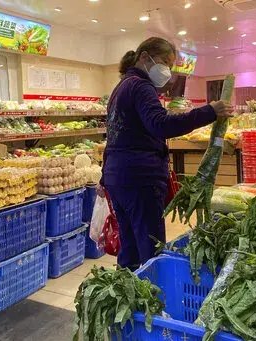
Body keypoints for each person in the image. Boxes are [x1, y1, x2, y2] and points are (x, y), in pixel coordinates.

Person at [98, 37, 233, 270]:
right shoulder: (141, 87)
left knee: (129, 245)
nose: (167, 71)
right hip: (140, 178)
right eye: (164, 63)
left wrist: (104, 176)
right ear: (144, 57)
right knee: (151, 247)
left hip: (118, 178)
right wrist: (210, 111)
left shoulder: (121, 86)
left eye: (170, 66)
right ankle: (153, 297)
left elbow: (114, 136)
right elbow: (161, 125)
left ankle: (128, 295)